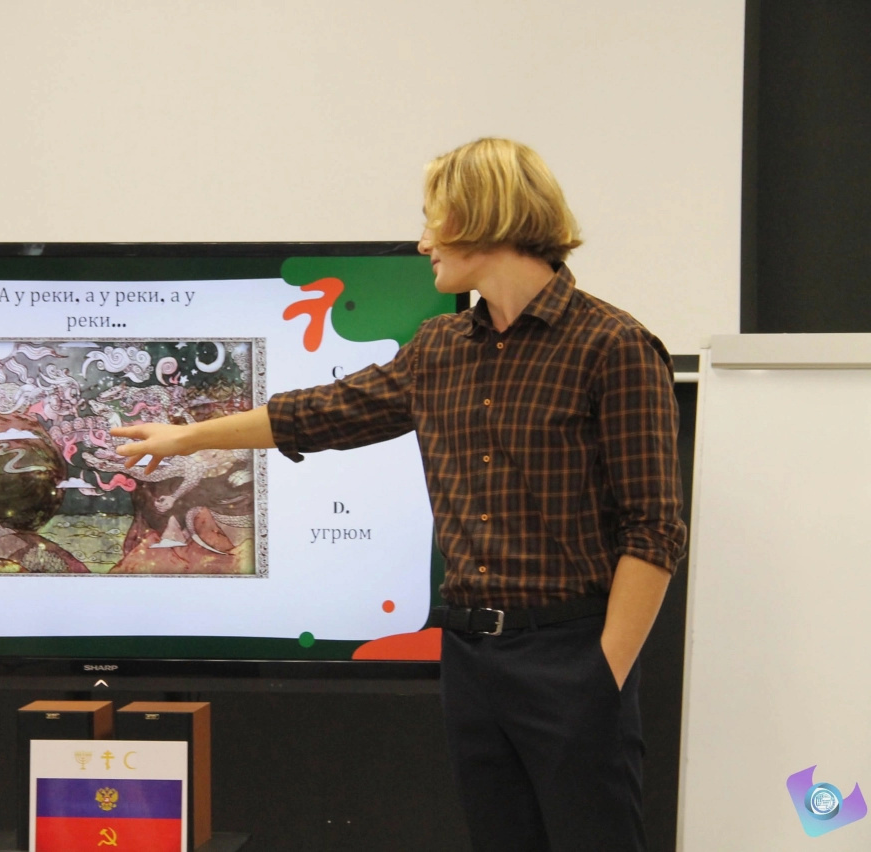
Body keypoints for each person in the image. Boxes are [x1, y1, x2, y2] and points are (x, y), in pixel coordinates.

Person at [110, 137, 686, 851]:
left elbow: (654, 530)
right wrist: (187, 438)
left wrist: (604, 675)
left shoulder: (615, 346)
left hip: (571, 653)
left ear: (485, 217)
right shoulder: (439, 348)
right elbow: (319, 413)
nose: (423, 244)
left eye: (433, 220)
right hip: (472, 659)